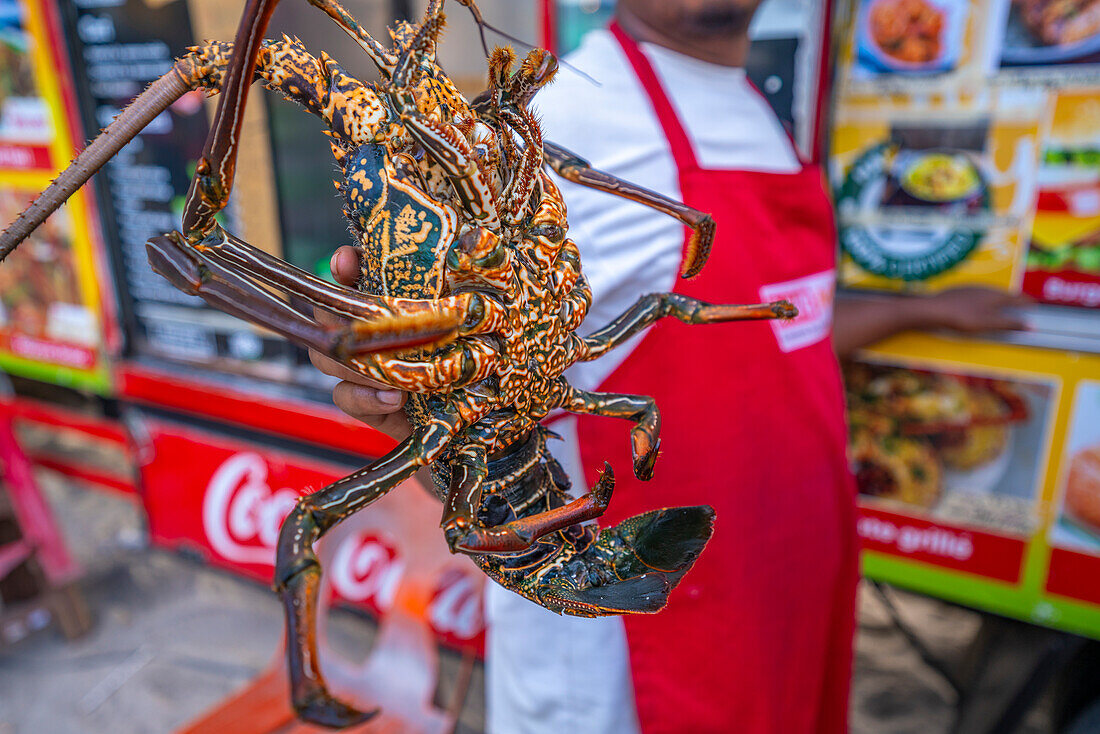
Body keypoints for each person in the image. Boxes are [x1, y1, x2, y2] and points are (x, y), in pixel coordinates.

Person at [311, 1, 1028, 730]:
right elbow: (453, 419)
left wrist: (921, 311)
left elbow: (780, 322)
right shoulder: (556, 125)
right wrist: (400, 393)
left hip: (781, 589)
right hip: (630, 653)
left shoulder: (754, 107)